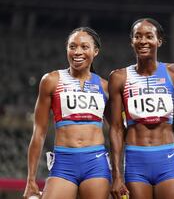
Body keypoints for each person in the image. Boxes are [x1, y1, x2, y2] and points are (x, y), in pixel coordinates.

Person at [108, 18, 174, 199]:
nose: (143, 41)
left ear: (159, 41)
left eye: (149, 36)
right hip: (135, 161)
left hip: (167, 159)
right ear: (132, 41)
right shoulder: (119, 78)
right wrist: (116, 175)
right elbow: (115, 128)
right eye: (137, 36)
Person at [23, 27, 111, 199]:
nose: (77, 52)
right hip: (64, 162)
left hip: (96, 162)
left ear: (96, 51)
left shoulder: (105, 86)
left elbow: (118, 129)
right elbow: (39, 131)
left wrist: (119, 175)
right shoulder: (51, 81)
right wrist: (31, 178)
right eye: (72, 46)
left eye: (85, 47)